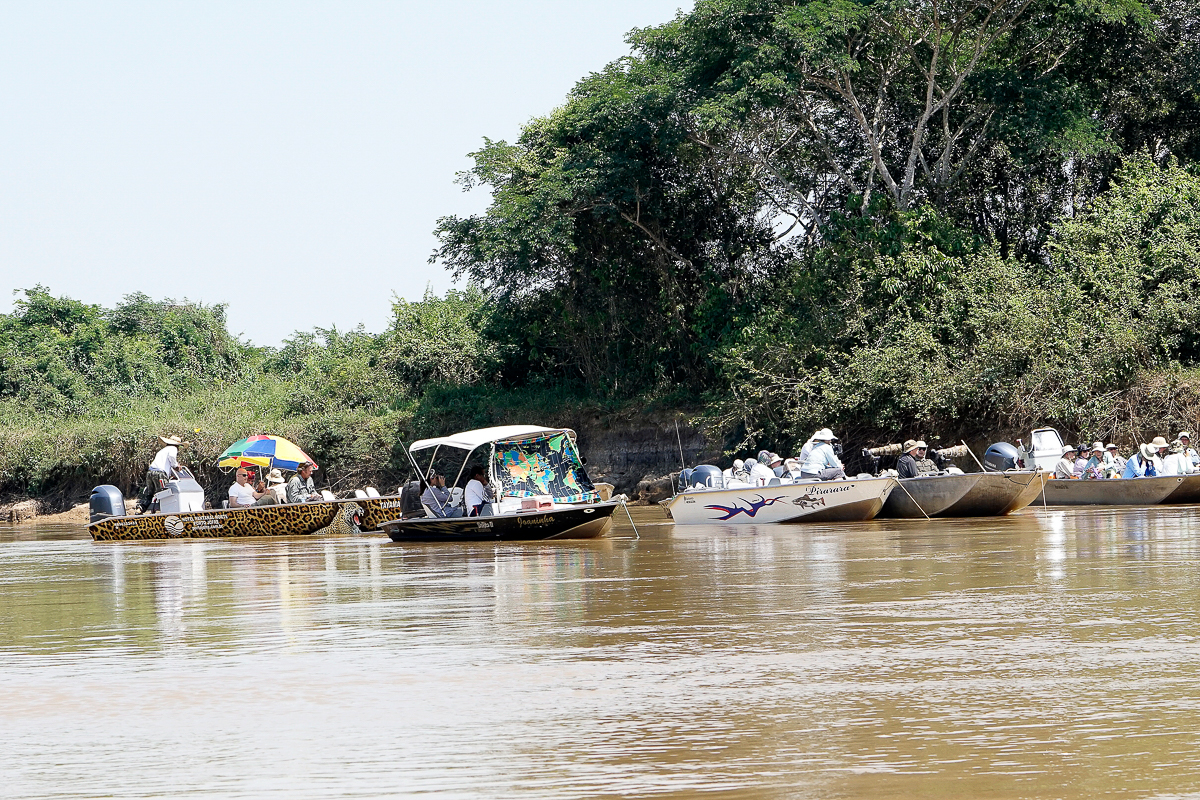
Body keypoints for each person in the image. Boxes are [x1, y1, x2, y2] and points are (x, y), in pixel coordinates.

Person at [137, 434, 190, 514]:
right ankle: (165, 511)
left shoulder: (162, 451)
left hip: (150, 472)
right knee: (164, 493)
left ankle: (141, 509)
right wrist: (176, 466)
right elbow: (172, 458)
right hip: (160, 474)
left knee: (150, 493)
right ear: (177, 445)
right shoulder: (173, 448)